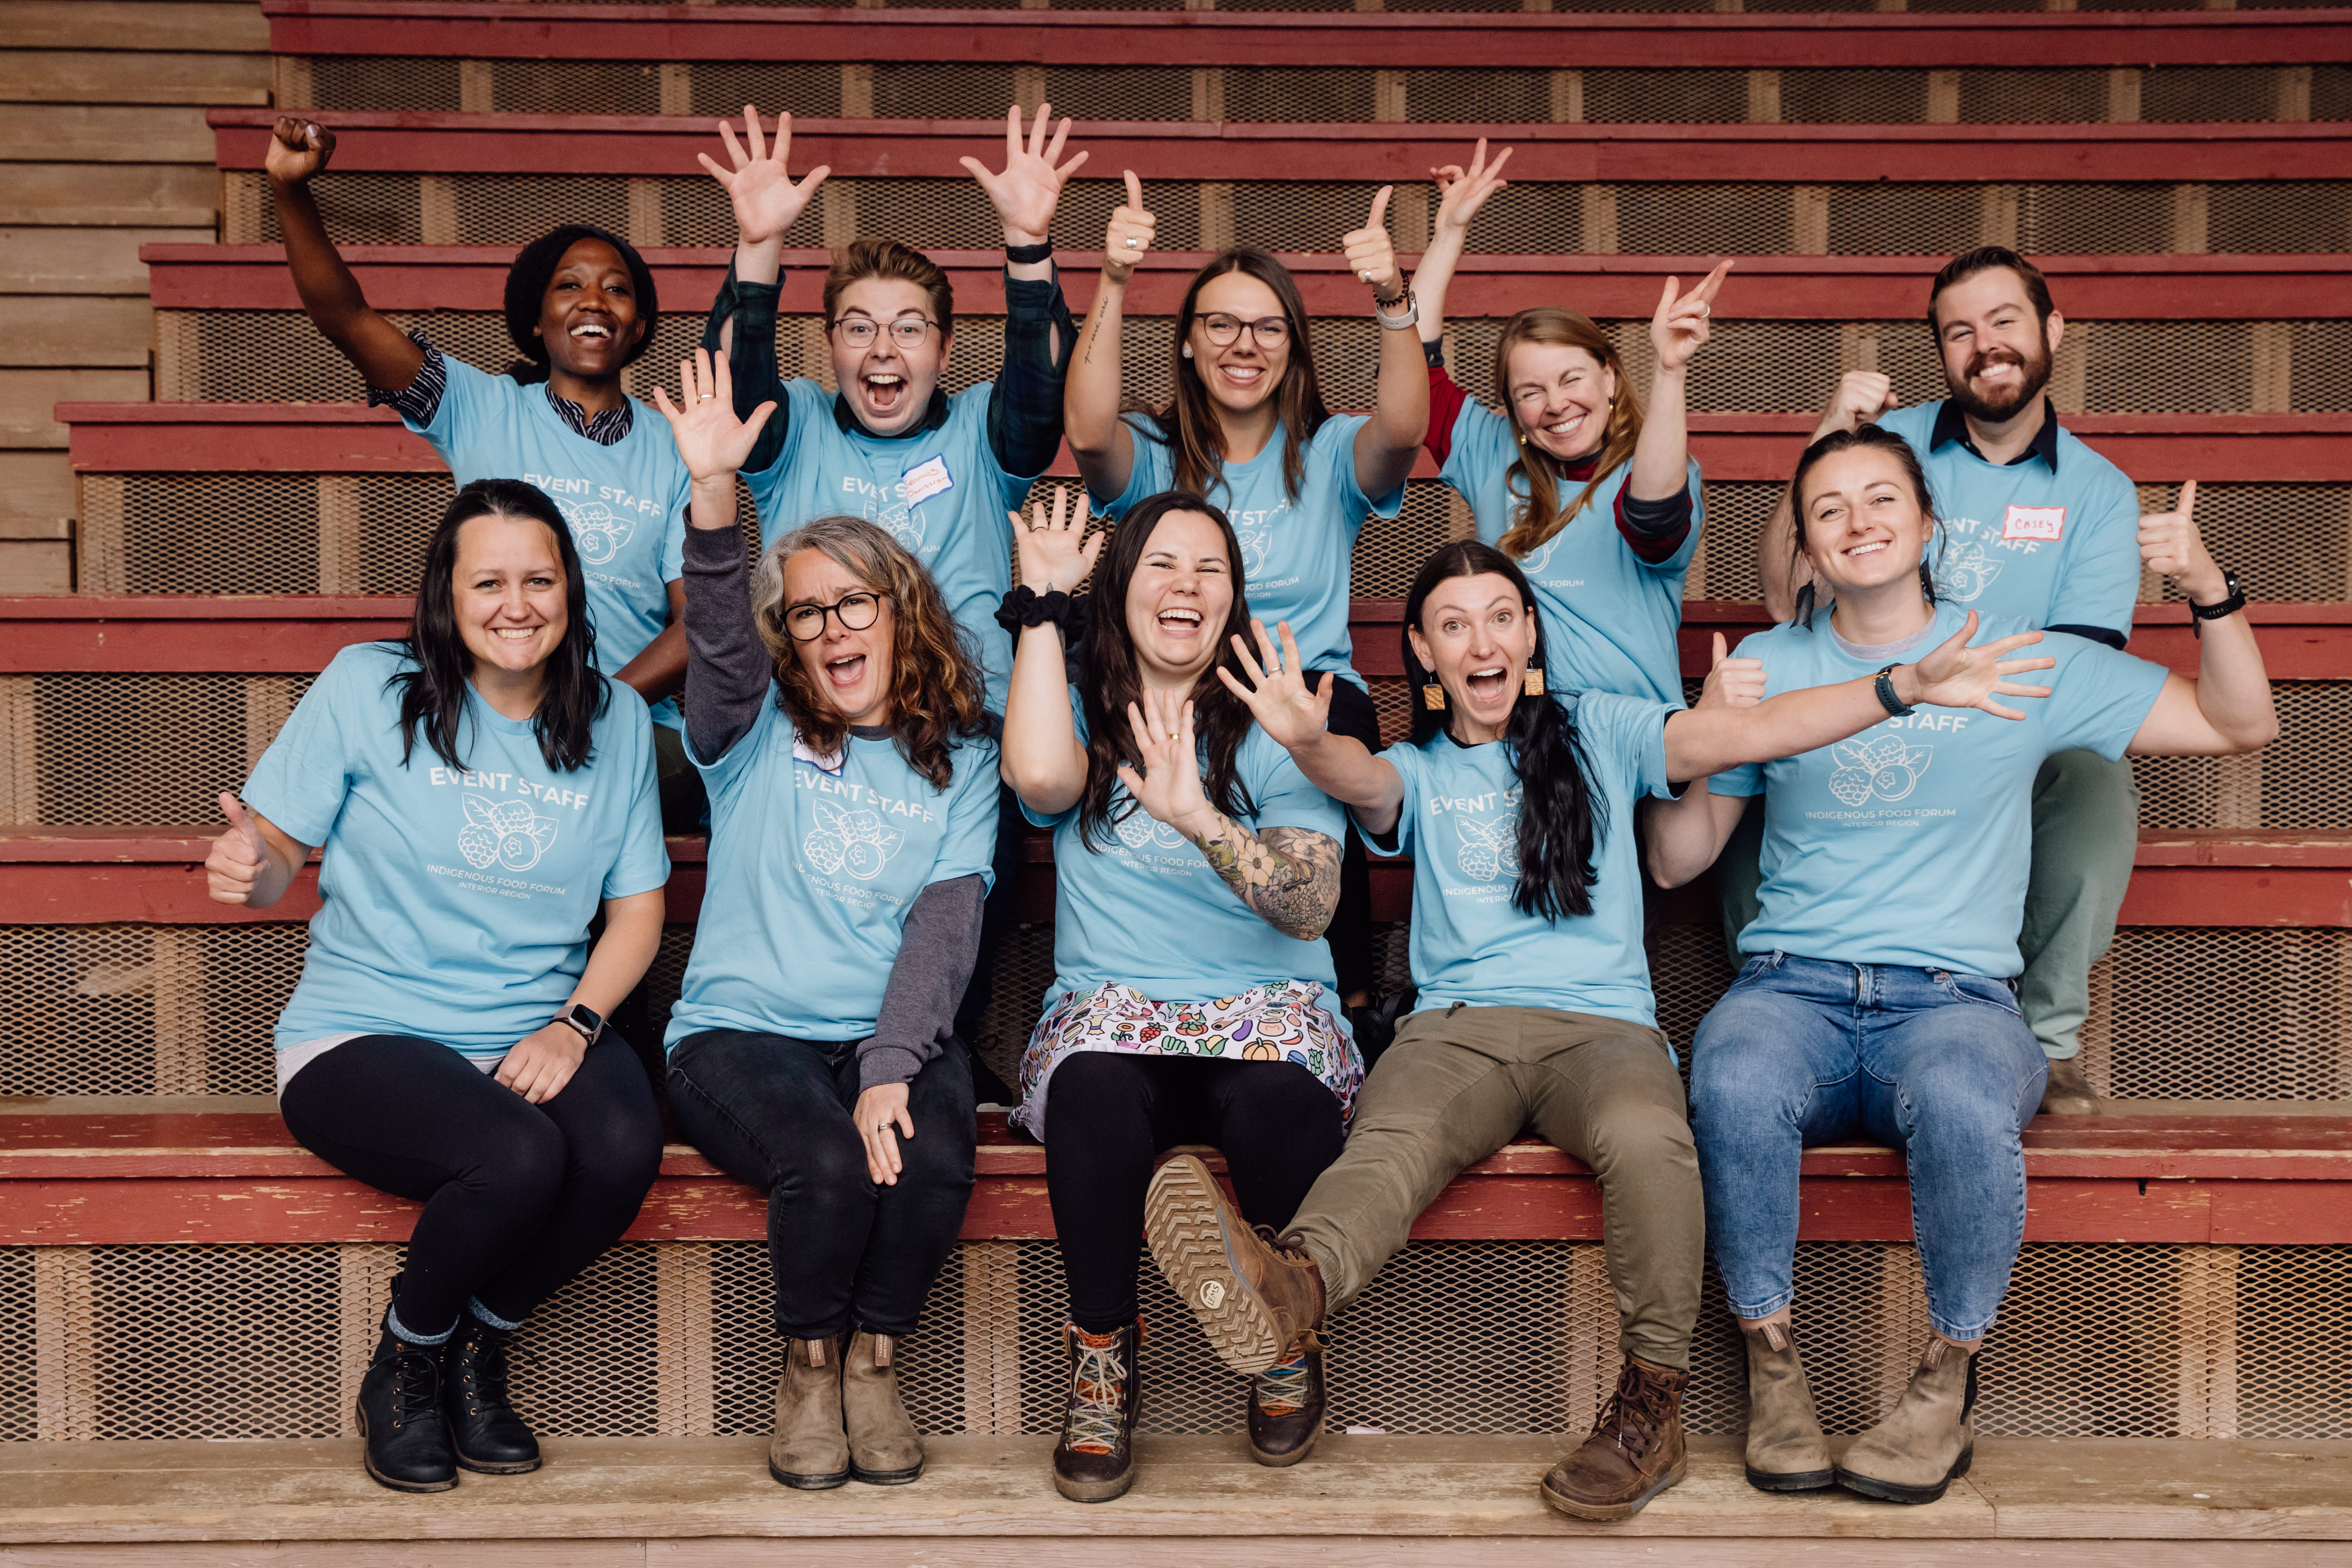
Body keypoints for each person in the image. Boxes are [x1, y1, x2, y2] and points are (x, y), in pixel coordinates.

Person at [1138, 537, 2054, 1521]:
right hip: (1457, 1029)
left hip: (1605, 1027)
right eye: (1453, 625)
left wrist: (1901, 685)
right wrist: (1305, 741)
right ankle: (1291, 1289)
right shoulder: (1418, 767)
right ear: (1424, 650)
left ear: (1529, 632)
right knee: (1392, 1141)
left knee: (1653, 1140)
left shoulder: (1603, 730)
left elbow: (1747, 736)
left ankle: (1651, 1404)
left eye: (1500, 616)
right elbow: (1356, 775)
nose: (1480, 640)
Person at [1650, 425, 2274, 1505]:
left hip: (1951, 1001)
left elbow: (2241, 721)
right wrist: (1710, 739)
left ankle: (1944, 1383)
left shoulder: (2021, 657)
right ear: (1803, 542)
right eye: (1828, 508)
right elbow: (1678, 860)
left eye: (1880, 497)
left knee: (1957, 1095)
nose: (1857, 521)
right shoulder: (1770, 664)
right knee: (1731, 1075)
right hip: (1790, 988)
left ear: (1928, 523)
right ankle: (1773, 1367)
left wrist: (2207, 586)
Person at [205, 478, 670, 1494]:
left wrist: (574, 1024)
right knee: (518, 1153)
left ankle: (477, 1341)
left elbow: (637, 907)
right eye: (489, 581)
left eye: (540, 579)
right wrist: (258, 873)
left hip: (531, 1024)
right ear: (447, 596)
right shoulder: (369, 687)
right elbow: (279, 847)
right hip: (363, 1033)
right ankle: (408, 1358)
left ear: (570, 590)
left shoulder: (619, 719)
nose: (518, 604)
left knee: (627, 1142)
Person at [650, 350, 1001, 1490]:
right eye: (807, 613)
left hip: (878, 1028)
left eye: (856, 601)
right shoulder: (750, 732)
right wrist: (715, 500)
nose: (834, 627)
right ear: (788, 637)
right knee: (826, 1159)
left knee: (937, 1146)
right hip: (739, 1035)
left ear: (900, 612)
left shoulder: (962, 758)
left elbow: (946, 926)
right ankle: (808, 1364)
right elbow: (713, 639)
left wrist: (894, 1064)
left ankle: (874, 1358)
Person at [697, 104, 1083, 1054]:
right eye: (859, 328)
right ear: (828, 345)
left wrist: (1029, 250)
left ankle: (931, 1055)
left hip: (956, 731)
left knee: (970, 876)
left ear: (946, 351)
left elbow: (1043, 404)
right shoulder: (795, 430)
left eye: (910, 330)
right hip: (813, 730)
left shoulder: (983, 435)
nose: (883, 351)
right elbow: (734, 392)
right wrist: (756, 255)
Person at [1747, 247, 2168, 1113]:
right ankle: (1788, 1006)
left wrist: (1957, 704)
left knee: (2099, 776)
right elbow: (1786, 595)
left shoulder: (2099, 491)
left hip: (2001, 717)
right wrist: (1826, 433)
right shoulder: (1887, 448)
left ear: (2052, 329)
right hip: (1863, 702)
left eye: (2005, 321)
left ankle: (2042, 1039)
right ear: (1941, 351)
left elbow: (2076, 673)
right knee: (1754, 763)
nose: (1986, 346)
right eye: (1960, 332)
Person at [1000, 487, 1359, 1502]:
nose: (1186, 585)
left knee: (1284, 1097)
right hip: (1117, 1009)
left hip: (1262, 1007)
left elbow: (1307, 907)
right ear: (1120, 589)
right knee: (1091, 1094)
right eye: (1161, 562)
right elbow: (1037, 780)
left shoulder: (1275, 709)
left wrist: (1200, 814)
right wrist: (1042, 600)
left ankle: (1286, 1330)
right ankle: (1103, 1354)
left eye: (1210, 568)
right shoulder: (1077, 698)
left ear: (1234, 596)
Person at [263, 118, 701, 832]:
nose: (594, 301)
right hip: (493, 710)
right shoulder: (479, 406)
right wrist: (289, 189)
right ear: (536, 321)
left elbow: (701, 621)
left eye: (616, 290)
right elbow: (344, 318)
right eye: (570, 286)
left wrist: (597, 708)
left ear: (640, 324)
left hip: (627, 722)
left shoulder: (677, 445)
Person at [1064, 171, 1430, 1022]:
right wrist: (1114, 281)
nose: (1244, 344)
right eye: (1220, 324)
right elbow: (1086, 432)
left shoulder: (1332, 452)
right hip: (1169, 697)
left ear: (1295, 350)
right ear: (1188, 342)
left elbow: (1405, 430)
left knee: (1334, 738)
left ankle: (1348, 1003)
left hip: (1301, 700)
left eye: (1269, 328)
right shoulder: (1154, 448)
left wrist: (1390, 297)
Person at [1409, 139, 1729, 708]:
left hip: (1629, 735)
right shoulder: (1492, 450)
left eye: (1571, 379)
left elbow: (1653, 519)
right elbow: (1413, 365)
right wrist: (1449, 234)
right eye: (1530, 392)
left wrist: (1671, 369)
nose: (1555, 405)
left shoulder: (1656, 465)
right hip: (1514, 729)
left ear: (1610, 378)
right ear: (1512, 411)